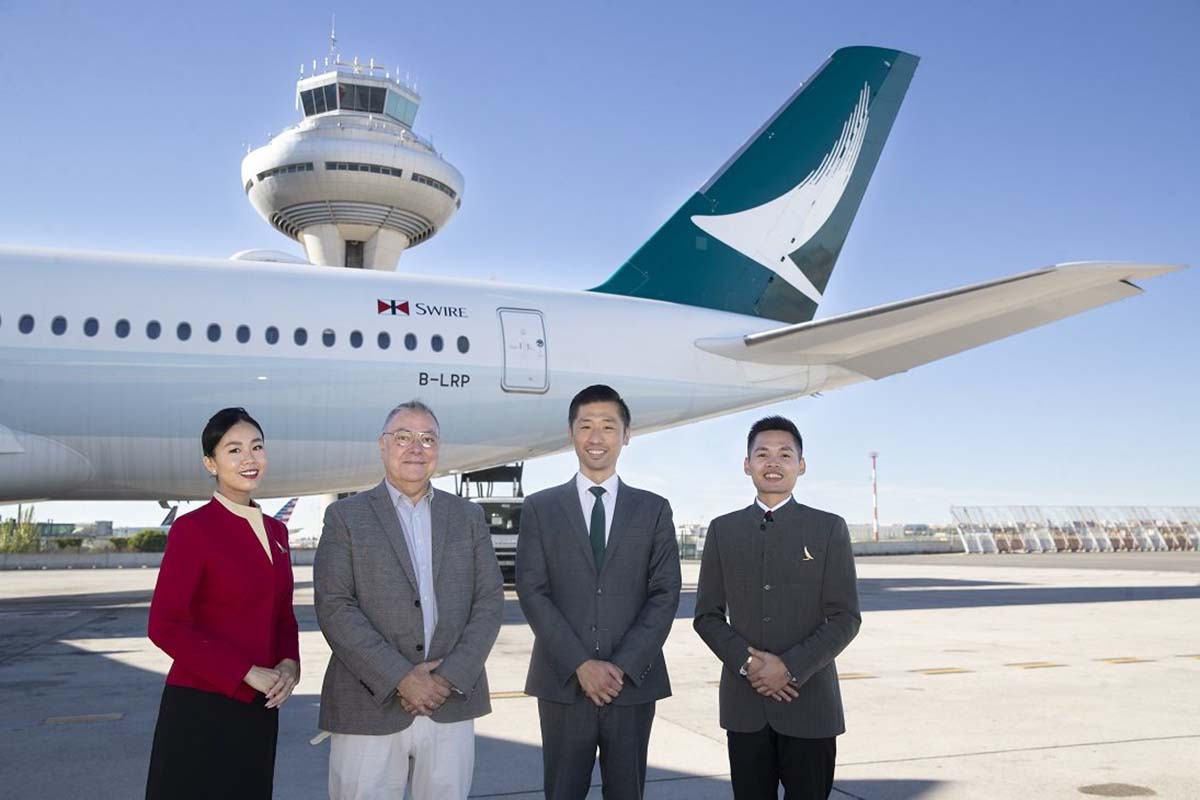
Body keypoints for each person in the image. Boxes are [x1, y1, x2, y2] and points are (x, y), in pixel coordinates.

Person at [314, 400, 503, 800]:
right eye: (403, 437)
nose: (416, 448)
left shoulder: (468, 517)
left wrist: (446, 678)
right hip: (369, 705)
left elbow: (489, 601)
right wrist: (401, 677)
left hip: (449, 702)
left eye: (427, 439)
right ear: (382, 446)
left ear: (438, 448)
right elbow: (334, 606)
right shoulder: (345, 517)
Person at [516, 384, 681, 800]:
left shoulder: (654, 509)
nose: (596, 436)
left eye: (608, 426)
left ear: (626, 435)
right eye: (586, 425)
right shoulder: (540, 508)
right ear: (570, 432)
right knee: (561, 791)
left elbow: (665, 594)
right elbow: (532, 591)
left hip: (633, 685)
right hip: (562, 684)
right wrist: (580, 664)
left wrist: (621, 666)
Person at [694, 415, 861, 800]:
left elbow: (845, 617)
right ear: (747, 464)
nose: (773, 462)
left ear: (801, 465)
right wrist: (749, 664)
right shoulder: (722, 530)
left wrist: (789, 668)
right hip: (745, 706)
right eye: (762, 454)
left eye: (785, 454)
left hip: (810, 704)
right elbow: (707, 615)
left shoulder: (828, 528)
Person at [146, 407, 300, 799]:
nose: (249, 458)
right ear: (210, 463)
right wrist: (245, 671)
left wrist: (289, 664)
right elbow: (165, 625)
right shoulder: (193, 529)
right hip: (202, 705)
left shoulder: (277, 531)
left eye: (257, 447)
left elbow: (282, 614)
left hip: (259, 705)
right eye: (234, 450)